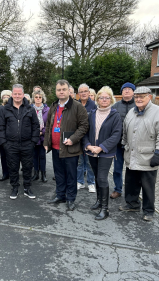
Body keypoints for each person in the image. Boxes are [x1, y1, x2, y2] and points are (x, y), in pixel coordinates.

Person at [119, 86, 159, 222]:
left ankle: (148, 211)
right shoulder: (131, 112)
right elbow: (125, 130)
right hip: (131, 155)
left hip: (148, 157)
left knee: (147, 186)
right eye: (136, 97)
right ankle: (132, 204)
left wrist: (158, 154)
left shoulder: (158, 112)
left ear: (149, 97)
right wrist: (124, 144)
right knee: (131, 182)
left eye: (142, 96)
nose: (139, 99)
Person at [44, 80, 89, 211]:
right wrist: (47, 142)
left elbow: (84, 126)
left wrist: (73, 139)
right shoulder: (53, 106)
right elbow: (49, 126)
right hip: (56, 147)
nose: (61, 92)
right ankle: (60, 195)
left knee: (71, 175)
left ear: (69, 90)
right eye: (59, 90)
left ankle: (70, 198)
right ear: (56, 91)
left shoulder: (77, 106)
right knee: (59, 174)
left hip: (71, 148)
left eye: (64, 89)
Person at [83, 86, 122, 220]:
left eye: (107, 97)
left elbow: (116, 135)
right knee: (95, 176)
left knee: (102, 178)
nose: (104, 100)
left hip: (106, 152)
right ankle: (99, 201)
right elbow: (85, 132)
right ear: (97, 99)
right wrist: (88, 145)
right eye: (101, 97)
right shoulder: (92, 113)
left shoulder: (115, 115)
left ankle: (105, 209)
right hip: (92, 151)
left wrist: (101, 147)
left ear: (111, 99)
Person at [0, 84, 40, 200]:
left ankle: (27, 188)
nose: (17, 96)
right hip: (11, 145)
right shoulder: (4, 109)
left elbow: (36, 126)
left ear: (23, 94)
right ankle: (14, 188)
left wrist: (33, 142)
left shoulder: (30, 108)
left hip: (27, 144)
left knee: (27, 167)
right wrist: (4, 143)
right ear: (12, 94)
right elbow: (0, 127)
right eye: (15, 93)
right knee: (13, 167)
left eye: (19, 94)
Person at [110, 82, 136, 199]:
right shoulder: (115, 106)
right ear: (121, 92)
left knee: (132, 169)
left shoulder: (138, 105)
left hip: (133, 144)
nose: (126, 91)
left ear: (133, 92)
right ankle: (118, 189)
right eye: (124, 89)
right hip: (118, 144)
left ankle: (132, 192)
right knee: (117, 168)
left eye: (129, 89)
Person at [77, 83, 97, 192]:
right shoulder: (76, 105)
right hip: (79, 138)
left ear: (89, 93)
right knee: (79, 162)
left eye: (85, 91)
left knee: (90, 162)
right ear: (78, 94)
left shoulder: (94, 105)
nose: (84, 93)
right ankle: (79, 182)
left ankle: (91, 183)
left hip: (90, 138)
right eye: (81, 91)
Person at [31, 89, 49, 182]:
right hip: (33, 137)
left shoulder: (47, 110)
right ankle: (36, 174)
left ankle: (43, 174)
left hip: (43, 136)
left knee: (42, 156)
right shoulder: (29, 109)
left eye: (40, 97)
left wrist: (42, 132)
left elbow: (49, 124)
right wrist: (34, 132)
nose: (38, 99)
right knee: (34, 156)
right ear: (34, 98)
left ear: (43, 98)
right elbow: (27, 123)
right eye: (36, 97)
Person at [0, 90, 12, 182]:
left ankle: (13, 173)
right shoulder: (0, 108)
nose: (6, 97)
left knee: (12, 156)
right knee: (3, 156)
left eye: (8, 95)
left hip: (12, 137)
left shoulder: (14, 108)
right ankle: (5, 173)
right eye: (4, 96)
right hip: (2, 136)